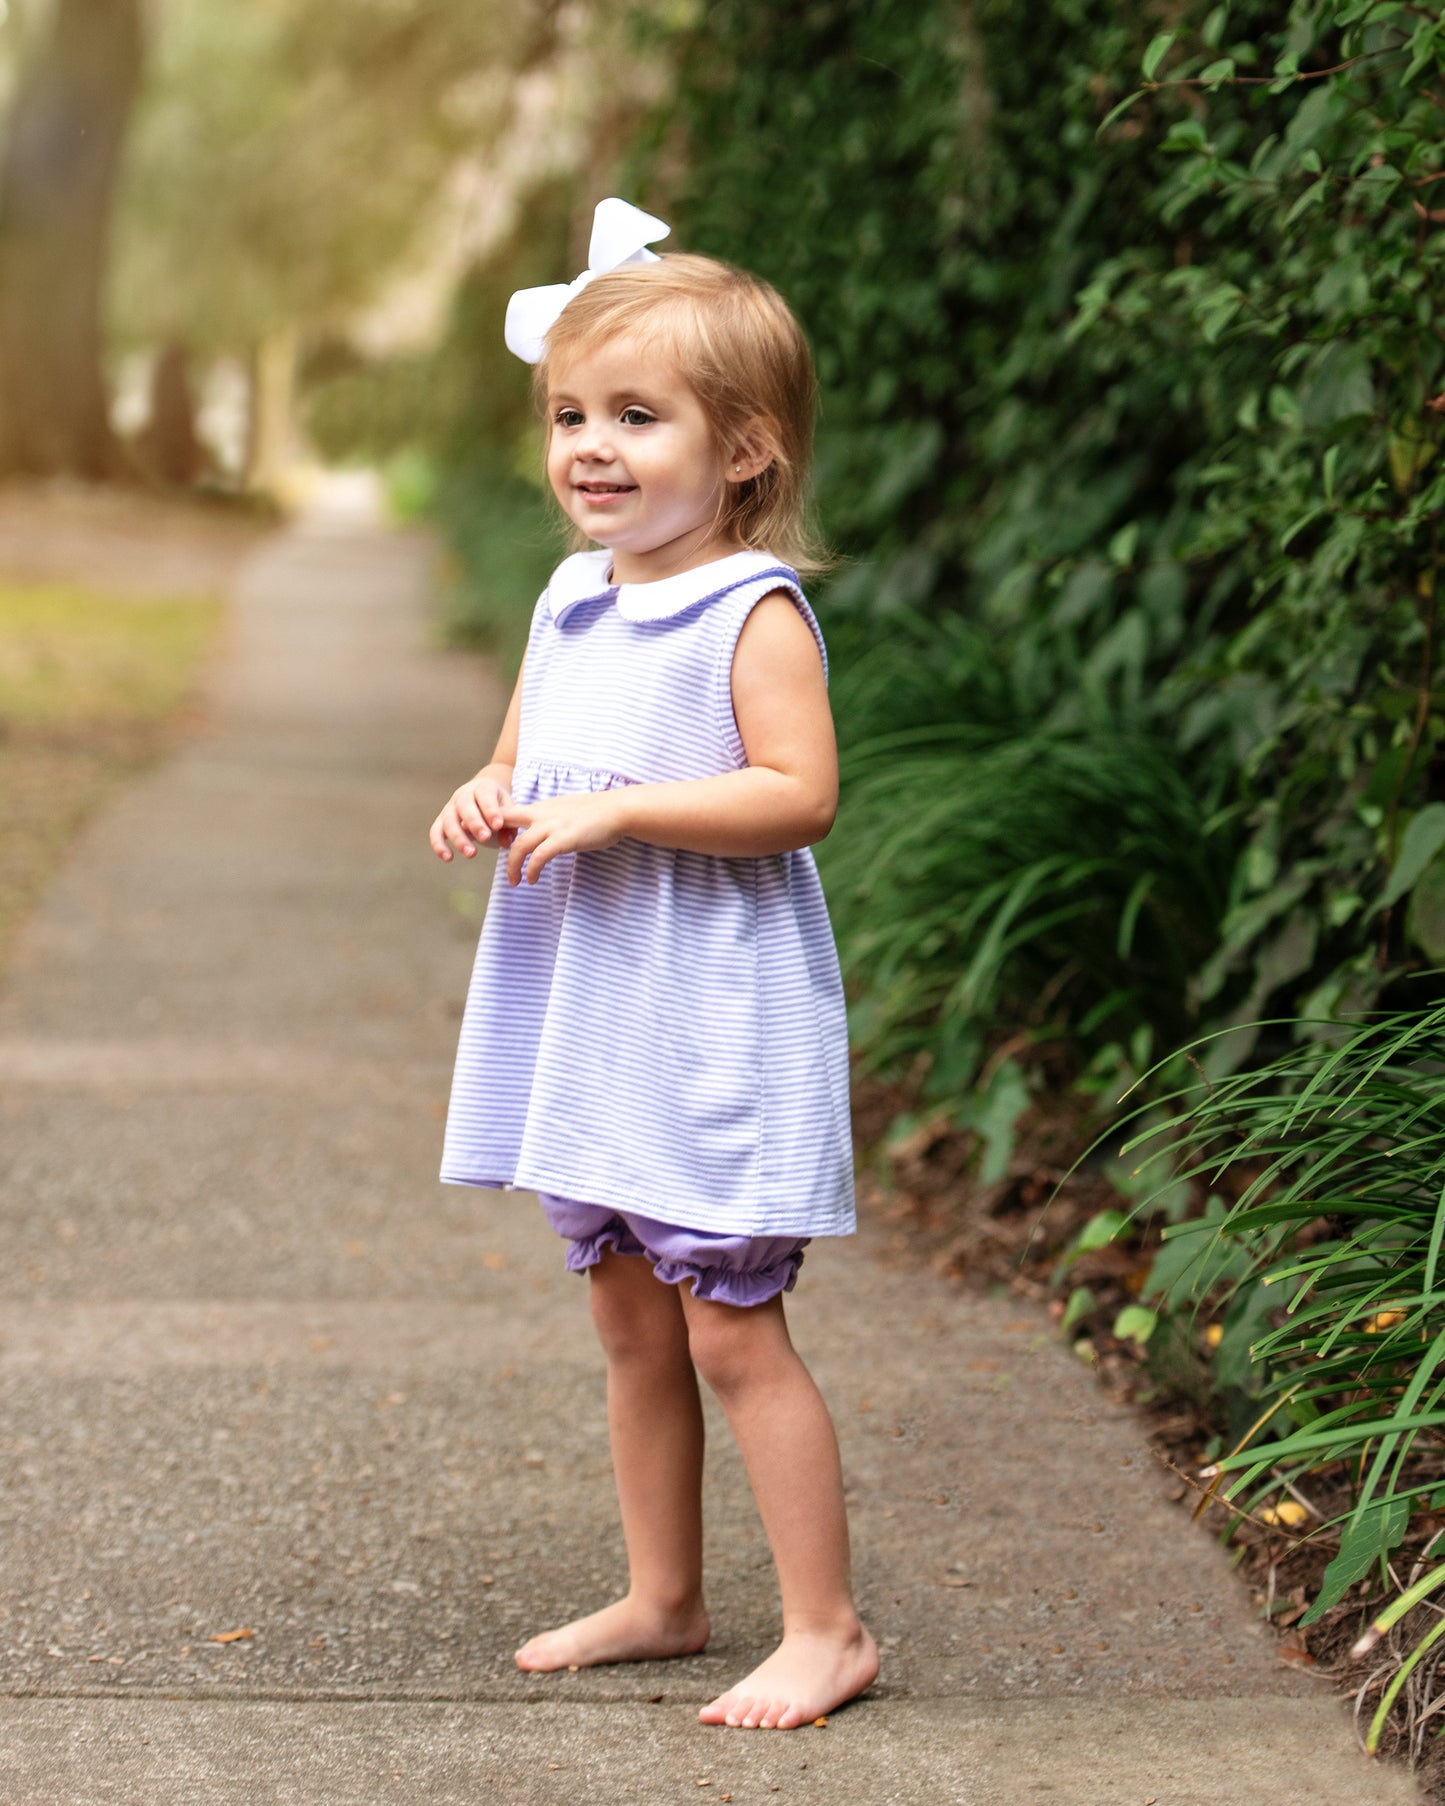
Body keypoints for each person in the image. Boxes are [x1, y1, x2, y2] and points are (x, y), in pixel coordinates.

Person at [428, 198, 878, 1732]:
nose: (590, 447)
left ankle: (824, 1627)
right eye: (569, 415)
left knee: (728, 1326)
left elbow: (797, 793)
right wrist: (490, 792)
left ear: (742, 447)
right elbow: (527, 754)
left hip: (704, 1014)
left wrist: (626, 806)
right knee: (629, 1318)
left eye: (636, 415)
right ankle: (665, 1594)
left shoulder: (748, 612)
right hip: (591, 1012)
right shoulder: (571, 593)